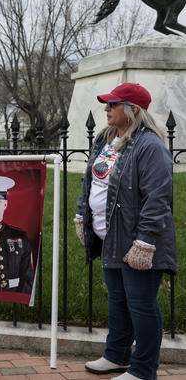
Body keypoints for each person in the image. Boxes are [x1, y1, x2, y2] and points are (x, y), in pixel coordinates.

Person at [75, 83, 176, 380]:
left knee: (141, 305)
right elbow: (90, 181)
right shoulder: (106, 139)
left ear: (132, 110)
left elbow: (158, 199)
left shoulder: (150, 146)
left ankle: (144, 370)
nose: (106, 109)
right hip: (111, 238)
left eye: (113, 104)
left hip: (136, 241)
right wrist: (83, 213)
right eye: (106, 104)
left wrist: (145, 241)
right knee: (117, 300)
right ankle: (117, 355)